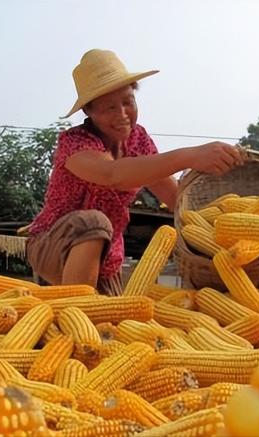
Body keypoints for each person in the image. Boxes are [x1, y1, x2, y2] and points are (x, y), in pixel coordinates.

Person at [26, 49, 244, 296]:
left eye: (128, 102)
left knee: (112, 327)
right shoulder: (75, 142)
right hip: (53, 242)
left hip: (107, 257)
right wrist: (191, 156)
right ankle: (76, 307)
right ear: (89, 112)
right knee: (93, 221)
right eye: (109, 108)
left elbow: (176, 200)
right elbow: (112, 175)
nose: (122, 115)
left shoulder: (139, 140)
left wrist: (226, 234)